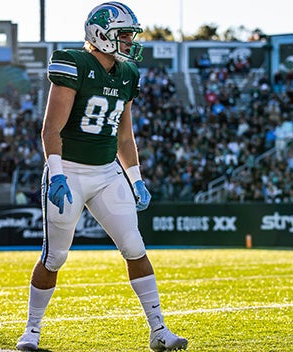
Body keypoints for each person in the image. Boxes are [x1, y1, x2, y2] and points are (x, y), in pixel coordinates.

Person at [16, 3, 188, 351]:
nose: (128, 41)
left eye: (129, 34)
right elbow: (51, 129)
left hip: (108, 173)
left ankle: (158, 330)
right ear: (100, 34)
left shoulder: (127, 74)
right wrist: (58, 173)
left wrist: (136, 177)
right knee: (54, 257)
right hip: (70, 173)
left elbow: (125, 136)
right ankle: (31, 330)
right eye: (123, 34)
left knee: (135, 247)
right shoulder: (73, 63)